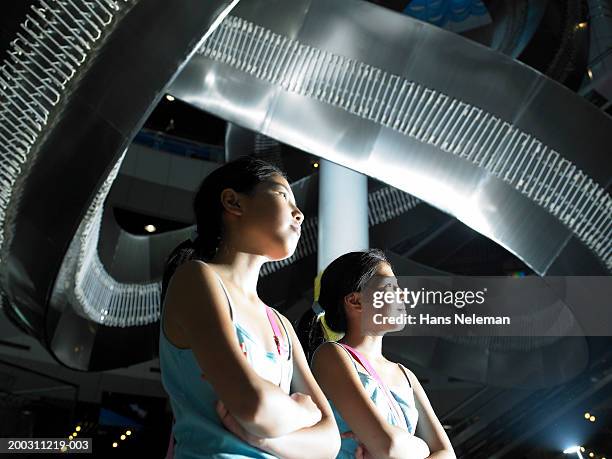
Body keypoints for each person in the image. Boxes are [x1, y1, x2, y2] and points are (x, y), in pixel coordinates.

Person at [159, 155, 341, 458]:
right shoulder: (197, 279)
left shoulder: (281, 324)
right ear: (233, 202)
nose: (299, 214)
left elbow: (330, 443)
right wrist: (303, 410)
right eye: (283, 195)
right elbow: (255, 406)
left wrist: (267, 441)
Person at [297, 250, 456, 459]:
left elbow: (448, 454)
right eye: (390, 287)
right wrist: (423, 448)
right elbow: (388, 445)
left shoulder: (407, 376)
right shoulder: (333, 355)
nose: (402, 294)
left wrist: (400, 447)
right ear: (356, 301)